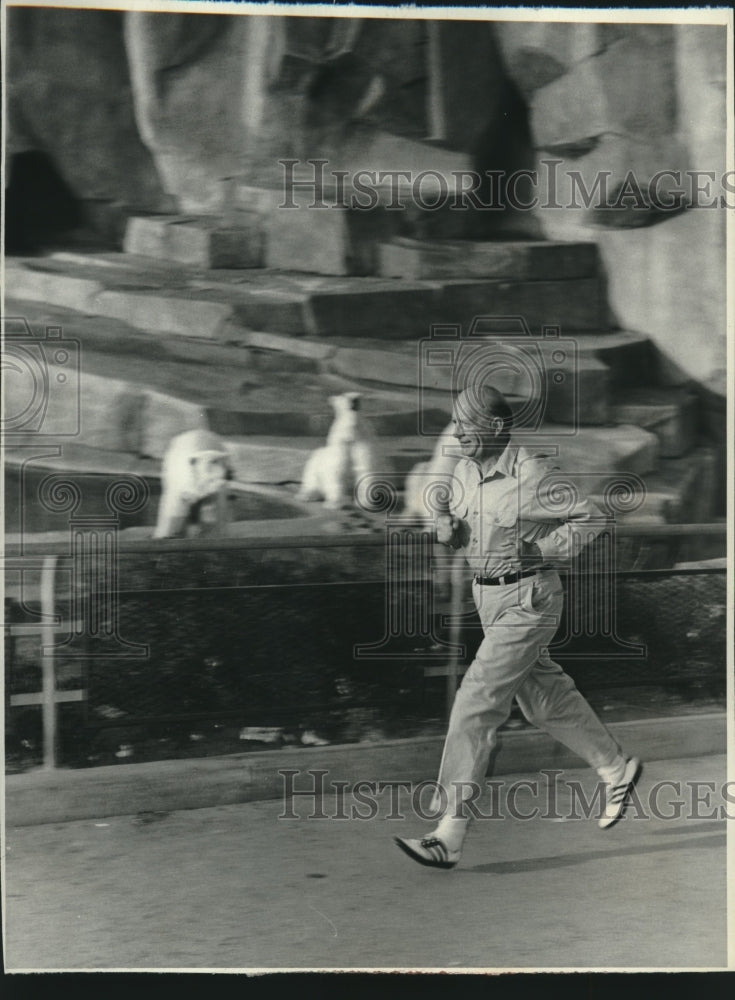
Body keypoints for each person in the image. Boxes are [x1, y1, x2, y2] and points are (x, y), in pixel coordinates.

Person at [395, 384, 642, 869]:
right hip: (488, 598)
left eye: (466, 423)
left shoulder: (533, 471)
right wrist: (449, 531)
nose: (458, 431)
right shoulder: (465, 472)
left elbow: (589, 516)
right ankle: (617, 768)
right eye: (456, 422)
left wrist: (544, 550)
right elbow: (468, 533)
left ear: (495, 427)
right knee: (544, 700)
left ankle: (449, 832)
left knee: (477, 699)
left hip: (530, 597)